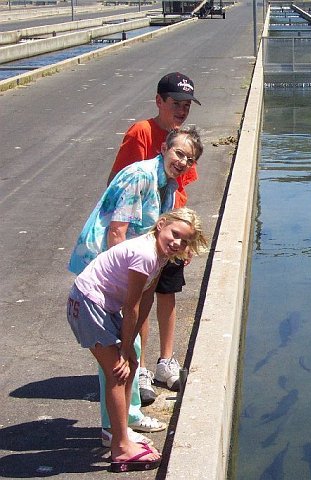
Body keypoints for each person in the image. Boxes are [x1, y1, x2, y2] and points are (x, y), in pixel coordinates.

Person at [69, 126, 203, 444]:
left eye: (190, 158)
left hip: (132, 271)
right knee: (118, 354)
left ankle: (126, 418)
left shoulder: (168, 185)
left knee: (131, 350)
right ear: (163, 148)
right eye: (179, 153)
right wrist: (120, 290)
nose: (183, 162)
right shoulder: (139, 176)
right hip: (107, 272)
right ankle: (114, 429)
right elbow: (118, 231)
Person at [66, 209, 208, 472]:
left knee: (129, 367)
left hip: (103, 306)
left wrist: (129, 347)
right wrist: (123, 349)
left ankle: (119, 433)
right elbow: (130, 307)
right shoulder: (145, 254)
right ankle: (120, 447)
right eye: (174, 234)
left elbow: (147, 299)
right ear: (161, 225)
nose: (177, 243)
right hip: (88, 304)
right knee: (117, 373)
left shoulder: (162, 257)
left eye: (184, 241)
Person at [108, 72, 201, 406]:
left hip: (171, 230)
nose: (181, 109)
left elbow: (181, 188)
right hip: (142, 234)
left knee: (168, 291)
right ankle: (142, 367)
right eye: (175, 103)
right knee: (141, 300)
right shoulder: (142, 133)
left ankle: (166, 361)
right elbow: (120, 182)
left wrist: (183, 237)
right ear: (159, 101)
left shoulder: (184, 140)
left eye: (187, 104)